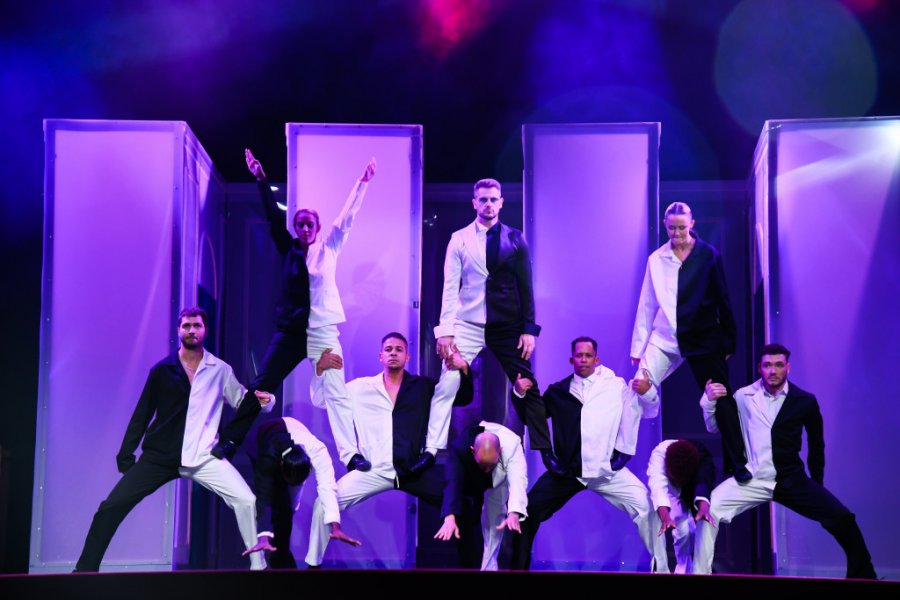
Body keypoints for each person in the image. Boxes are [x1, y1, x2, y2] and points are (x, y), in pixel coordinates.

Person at [213, 150, 376, 476]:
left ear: (317, 227)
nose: (303, 228)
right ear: (295, 227)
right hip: (290, 334)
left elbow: (347, 218)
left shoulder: (329, 248)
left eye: (309, 224)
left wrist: (362, 183)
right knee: (261, 386)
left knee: (336, 392)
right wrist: (260, 178)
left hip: (323, 333)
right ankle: (230, 441)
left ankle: (351, 455)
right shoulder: (287, 248)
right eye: (299, 224)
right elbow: (272, 215)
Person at [74, 307, 274, 571]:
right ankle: (84, 570)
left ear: (205, 330)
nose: (192, 330)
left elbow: (241, 400)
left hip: (204, 456)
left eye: (197, 325)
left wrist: (265, 401)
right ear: (178, 330)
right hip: (160, 457)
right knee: (110, 507)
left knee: (246, 500)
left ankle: (258, 566)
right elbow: (142, 413)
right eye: (186, 326)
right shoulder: (162, 370)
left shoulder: (220, 370)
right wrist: (126, 454)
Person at [695, 343, 877, 579]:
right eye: (767, 365)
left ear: (788, 368)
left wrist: (817, 484)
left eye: (779, 365)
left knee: (843, 518)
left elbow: (816, 445)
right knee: (707, 511)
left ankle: (864, 575)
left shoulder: (804, 401)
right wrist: (708, 402)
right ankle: (699, 575)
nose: (773, 371)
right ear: (759, 368)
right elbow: (716, 428)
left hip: (790, 479)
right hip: (750, 478)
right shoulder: (743, 396)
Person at [426, 177, 560, 476]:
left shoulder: (515, 238)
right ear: (474, 203)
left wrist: (529, 329)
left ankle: (545, 450)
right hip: (468, 322)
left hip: (506, 324)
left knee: (527, 384)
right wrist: (445, 330)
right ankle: (431, 449)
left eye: (493, 199)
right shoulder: (459, 238)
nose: (488, 204)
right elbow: (450, 286)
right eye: (483, 199)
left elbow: (526, 287)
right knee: (447, 383)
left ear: (501, 202)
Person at [305, 332, 473, 567]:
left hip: (414, 468)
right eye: (388, 349)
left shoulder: (422, 387)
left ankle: (472, 568)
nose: (393, 353)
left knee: (462, 502)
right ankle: (312, 566)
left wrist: (464, 368)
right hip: (372, 469)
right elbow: (322, 400)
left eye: (399, 349)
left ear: (407, 357)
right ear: (380, 356)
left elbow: (460, 398)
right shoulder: (360, 388)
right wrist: (319, 370)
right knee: (324, 504)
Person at [510, 336, 669, 572]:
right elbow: (532, 418)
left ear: (596, 359)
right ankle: (516, 571)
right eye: (579, 355)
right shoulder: (558, 392)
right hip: (568, 472)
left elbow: (649, 411)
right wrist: (518, 393)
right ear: (571, 360)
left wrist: (648, 393)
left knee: (647, 507)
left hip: (607, 471)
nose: (583, 359)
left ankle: (664, 571)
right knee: (525, 511)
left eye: (588, 355)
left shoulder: (616, 387)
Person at [628, 201, 743, 479]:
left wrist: (728, 341)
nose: (677, 233)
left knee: (722, 396)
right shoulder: (656, 259)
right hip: (665, 336)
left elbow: (723, 298)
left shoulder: (708, 254)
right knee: (637, 386)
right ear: (665, 226)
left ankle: (736, 464)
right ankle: (622, 451)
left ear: (692, 224)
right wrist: (638, 347)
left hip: (702, 337)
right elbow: (647, 303)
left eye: (681, 227)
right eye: (672, 228)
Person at [241, 416, 361, 568]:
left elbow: (327, 486)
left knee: (286, 511)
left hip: (291, 443)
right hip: (262, 442)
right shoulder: (268, 458)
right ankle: (275, 559)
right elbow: (264, 495)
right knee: (277, 501)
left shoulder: (317, 451)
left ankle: (283, 557)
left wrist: (335, 526)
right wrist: (264, 536)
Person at [434, 421, 528, 570]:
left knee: (494, 521)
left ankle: (489, 568)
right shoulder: (461, 447)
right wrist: (450, 516)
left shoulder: (512, 446)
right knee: (470, 516)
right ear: (473, 450)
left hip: (499, 479)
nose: (487, 470)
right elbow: (453, 481)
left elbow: (518, 480)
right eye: (484, 465)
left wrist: (514, 512)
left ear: (500, 451)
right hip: (472, 477)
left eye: (490, 465)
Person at [646, 438, 716, 574]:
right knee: (683, 530)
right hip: (669, 492)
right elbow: (658, 487)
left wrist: (703, 508)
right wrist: (666, 518)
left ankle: (691, 570)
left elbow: (703, 481)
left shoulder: (701, 457)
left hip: (691, 487)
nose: (678, 483)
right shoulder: (659, 456)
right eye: (675, 480)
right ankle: (677, 571)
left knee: (694, 531)